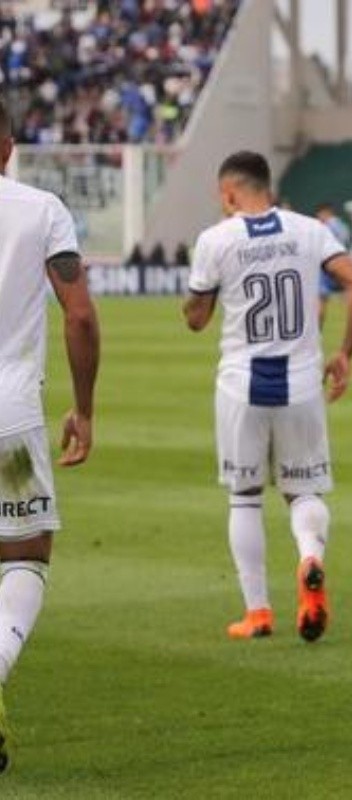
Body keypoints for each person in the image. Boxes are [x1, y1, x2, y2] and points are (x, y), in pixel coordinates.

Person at [183, 151, 352, 643]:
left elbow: (196, 318)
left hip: (242, 383)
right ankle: (310, 556)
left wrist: (200, 292)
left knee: (245, 497)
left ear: (228, 194)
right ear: (267, 186)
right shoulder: (308, 229)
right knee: (304, 491)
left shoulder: (216, 239)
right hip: (302, 382)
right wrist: (346, 353)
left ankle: (258, 613)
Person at [0, 99, 100, 771]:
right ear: (7, 142)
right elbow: (80, 316)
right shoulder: (40, 208)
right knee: (24, 554)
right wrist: (84, 408)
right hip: (8, 417)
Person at [315, 203, 352, 329]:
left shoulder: (326, 226)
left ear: (325, 212)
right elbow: (346, 243)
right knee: (348, 296)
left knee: (321, 298)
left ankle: (317, 330)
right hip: (343, 263)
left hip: (327, 265)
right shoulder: (343, 226)